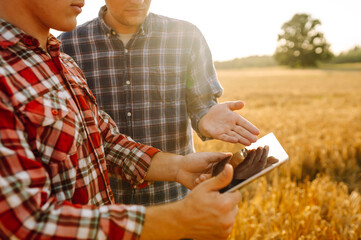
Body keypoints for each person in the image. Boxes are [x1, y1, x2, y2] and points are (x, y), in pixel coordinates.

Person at [0, 0, 275, 239]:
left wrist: (179, 167)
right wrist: (179, 220)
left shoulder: (60, 60)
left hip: (156, 205)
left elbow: (104, 141)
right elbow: (24, 223)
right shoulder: (55, 52)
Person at [59, 0, 260, 206]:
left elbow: (201, 104)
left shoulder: (186, 36)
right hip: (104, 206)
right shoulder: (66, 45)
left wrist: (205, 117)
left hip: (174, 198)